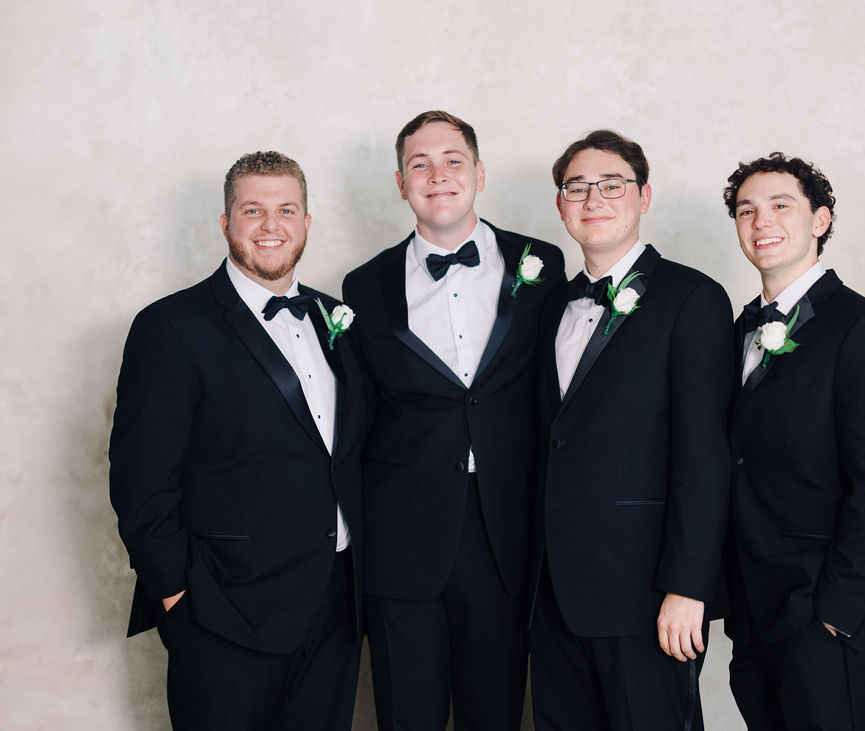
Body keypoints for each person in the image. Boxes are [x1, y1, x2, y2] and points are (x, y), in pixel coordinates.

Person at [109, 151, 367, 730]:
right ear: (226, 223)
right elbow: (140, 479)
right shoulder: (172, 328)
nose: (270, 226)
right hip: (223, 608)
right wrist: (176, 594)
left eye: (286, 210)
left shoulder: (336, 319)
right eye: (253, 210)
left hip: (334, 605)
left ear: (306, 222)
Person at [342, 110, 565, 730]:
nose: (437, 175)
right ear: (399, 182)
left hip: (506, 530)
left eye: (452, 161)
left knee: (493, 714)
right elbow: (358, 415)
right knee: (406, 716)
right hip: (400, 536)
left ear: (479, 173)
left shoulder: (542, 265)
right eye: (420, 164)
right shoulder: (364, 286)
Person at [528, 129, 733, 730]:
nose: (593, 198)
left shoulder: (692, 299)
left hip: (647, 594)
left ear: (644, 196)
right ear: (562, 204)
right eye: (577, 186)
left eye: (611, 184)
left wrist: (688, 587)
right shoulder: (551, 308)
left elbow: (705, 455)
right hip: (555, 595)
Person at [722, 152, 865, 730]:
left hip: (823, 614)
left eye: (781, 205)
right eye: (746, 210)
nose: (762, 222)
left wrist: (835, 613)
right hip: (752, 610)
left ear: (820, 221)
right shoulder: (739, 329)